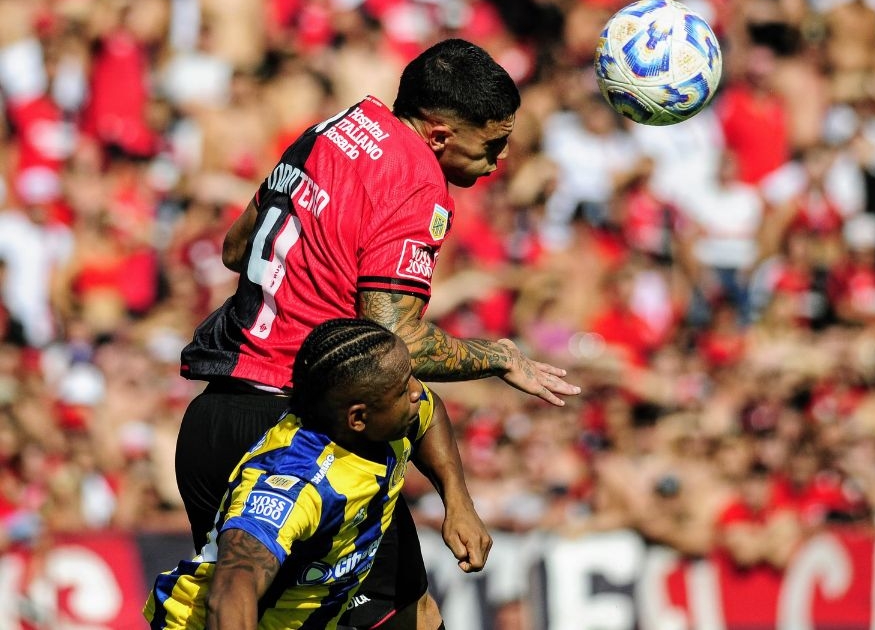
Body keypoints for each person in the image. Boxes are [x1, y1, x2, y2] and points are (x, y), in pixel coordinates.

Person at [174, 38, 580, 630]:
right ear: (440, 135)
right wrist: (498, 357)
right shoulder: (416, 181)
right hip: (303, 433)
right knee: (408, 618)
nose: (500, 161)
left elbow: (237, 248)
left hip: (213, 423)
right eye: (491, 145)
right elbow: (396, 340)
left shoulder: (335, 128)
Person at [146, 318, 487, 629]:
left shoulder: (388, 416)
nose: (416, 391)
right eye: (402, 389)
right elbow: (231, 594)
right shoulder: (296, 483)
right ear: (358, 418)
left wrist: (458, 502)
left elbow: (432, 412)